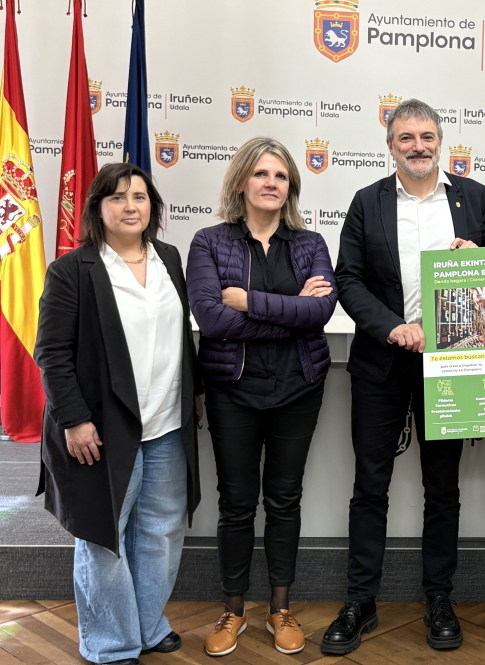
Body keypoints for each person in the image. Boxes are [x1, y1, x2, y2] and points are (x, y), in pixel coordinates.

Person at [321, 98, 485, 655]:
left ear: (440, 141)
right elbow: (347, 279)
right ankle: (360, 601)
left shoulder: (472, 197)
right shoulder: (365, 201)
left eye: (427, 136)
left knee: (442, 489)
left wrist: (479, 254)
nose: (418, 146)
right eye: (406, 138)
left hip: (452, 366)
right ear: (391, 144)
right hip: (382, 363)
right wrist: (393, 327)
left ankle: (439, 598)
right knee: (369, 487)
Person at [34, 162, 202, 665]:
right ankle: (111, 643)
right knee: (104, 535)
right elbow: (52, 353)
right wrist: (74, 419)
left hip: (167, 423)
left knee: (161, 530)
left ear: (153, 207)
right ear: (97, 209)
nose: (130, 206)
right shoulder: (73, 270)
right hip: (100, 429)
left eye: (139, 197)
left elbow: (179, 339)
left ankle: (147, 627)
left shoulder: (170, 259)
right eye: (117, 197)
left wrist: (192, 392)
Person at [187, 137, 338, 657]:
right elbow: (211, 318)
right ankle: (233, 610)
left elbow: (319, 315)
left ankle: (280, 608)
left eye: (280, 176)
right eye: (261, 174)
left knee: (284, 499)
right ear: (241, 182)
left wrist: (250, 302)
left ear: (290, 186)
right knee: (236, 504)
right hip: (233, 391)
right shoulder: (209, 242)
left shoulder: (309, 243)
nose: (272, 183)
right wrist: (289, 310)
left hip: (299, 388)